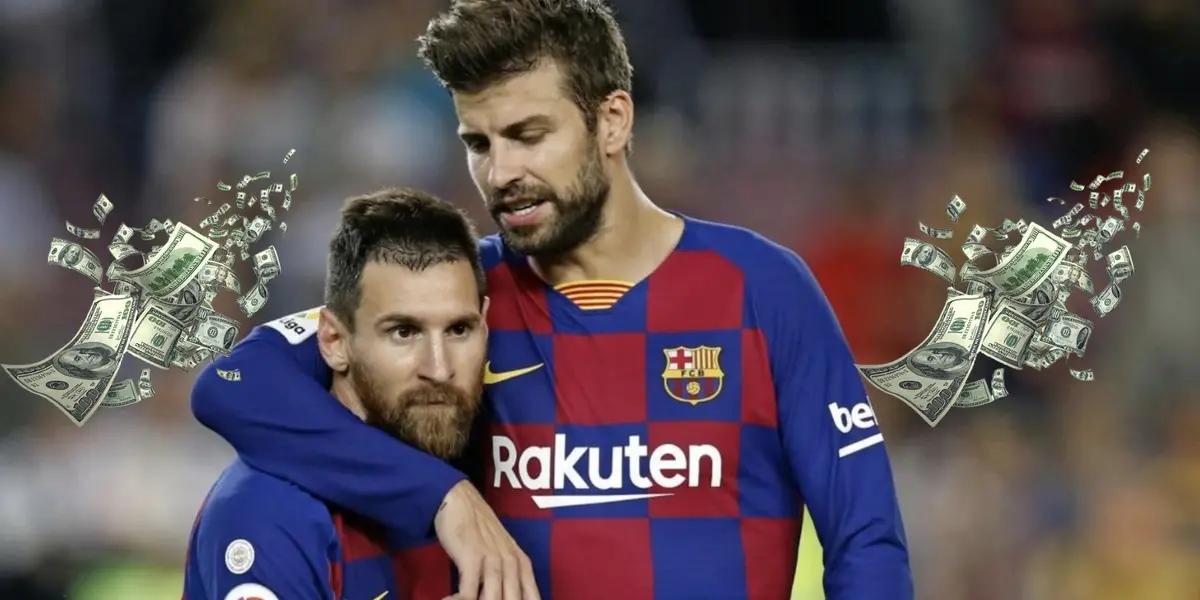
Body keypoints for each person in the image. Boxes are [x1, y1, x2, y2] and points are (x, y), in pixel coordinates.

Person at [191, 1, 912, 598]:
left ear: (613, 121)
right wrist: (440, 495)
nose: (500, 173)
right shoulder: (461, 297)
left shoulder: (762, 290)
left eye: (528, 135)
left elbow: (866, 539)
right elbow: (234, 385)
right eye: (479, 143)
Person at [183, 189, 503, 599]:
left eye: (459, 330)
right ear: (334, 341)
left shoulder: (482, 470)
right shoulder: (271, 511)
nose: (439, 369)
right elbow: (225, 383)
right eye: (404, 332)